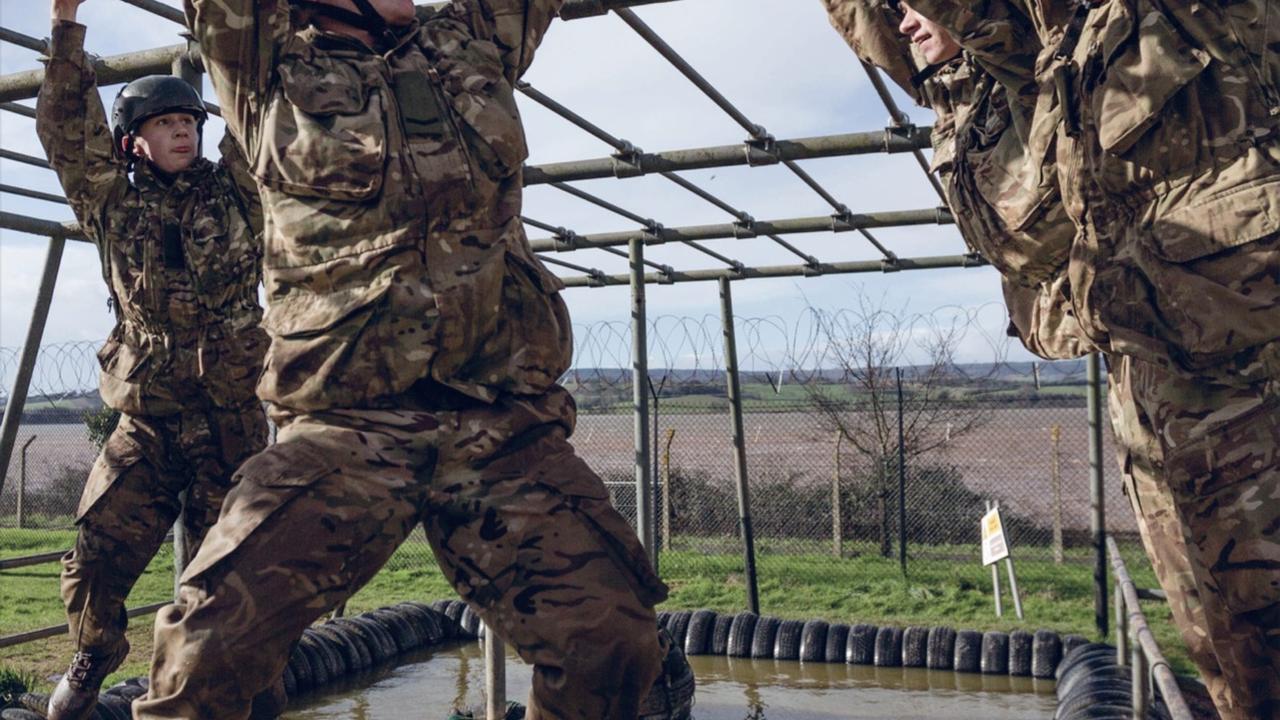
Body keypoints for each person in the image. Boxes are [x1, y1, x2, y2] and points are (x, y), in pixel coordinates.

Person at [133, 1, 679, 718]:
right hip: (344, 427)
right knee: (204, 659)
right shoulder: (266, 62)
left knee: (614, 646)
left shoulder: (468, 40)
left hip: (500, 425)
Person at [827, 1, 1280, 717]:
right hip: (1153, 361)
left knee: (1260, 635)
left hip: (1239, 360)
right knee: (1219, 642)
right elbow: (878, 31)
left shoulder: (1028, 57)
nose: (907, 22)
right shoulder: (1006, 76)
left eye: (917, 8)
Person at [34, 1, 270, 718]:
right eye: (165, 123)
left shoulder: (238, 192)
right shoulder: (112, 204)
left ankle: (243, 691)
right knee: (93, 558)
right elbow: (66, 132)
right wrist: (66, 24)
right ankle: (95, 655)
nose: (183, 131)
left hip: (231, 424)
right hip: (148, 425)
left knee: (226, 581)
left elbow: (257, 102)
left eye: (190, 121)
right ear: (133, 141)